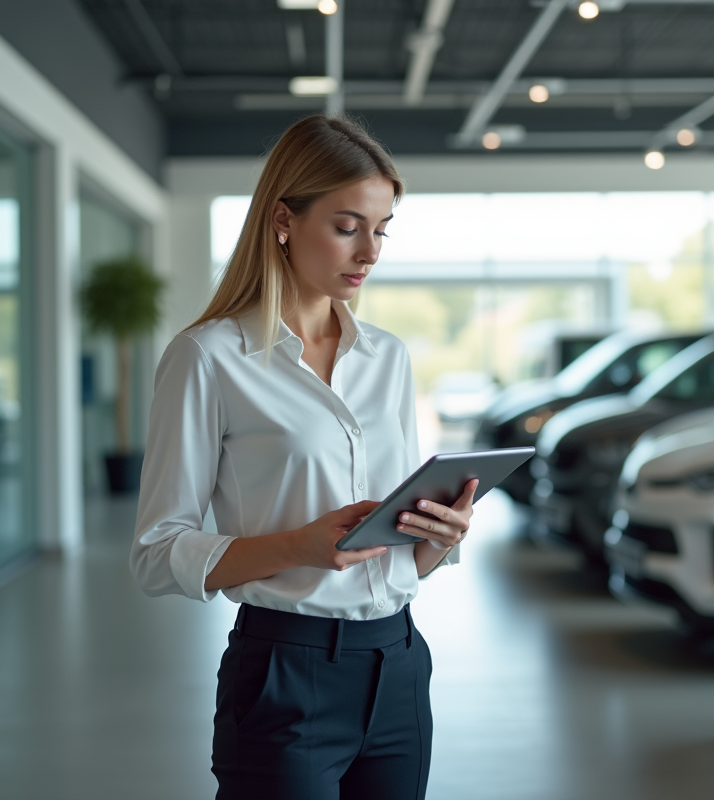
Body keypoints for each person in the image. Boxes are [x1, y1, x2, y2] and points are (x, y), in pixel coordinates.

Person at [130, 114, 476, 800]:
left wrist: (439, 537)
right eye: (348, 227)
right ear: (283, 220)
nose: (369, 252)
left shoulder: (388, 357)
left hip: (400, 666)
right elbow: (156, 554)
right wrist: (300, 546)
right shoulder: (208, 358)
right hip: (284, 674)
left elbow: (398, 558)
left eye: (382, 230)